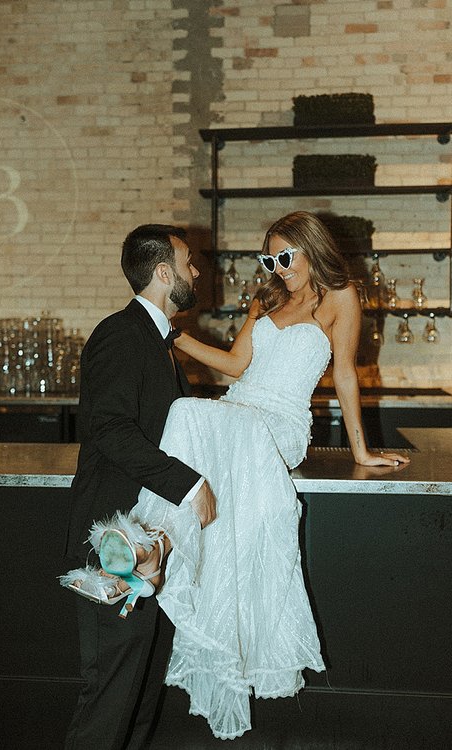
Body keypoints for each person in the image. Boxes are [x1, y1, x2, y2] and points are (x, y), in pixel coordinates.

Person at [72, 211, 410, 740]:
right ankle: (153, 549)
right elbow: (233, 366)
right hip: (240, 409)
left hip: (278, 424)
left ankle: (147, 549)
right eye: (269, 259)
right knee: (188, 413)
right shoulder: (267, 301)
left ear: (309, 248)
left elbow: (344, 373)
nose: (278, 268)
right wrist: (169, 337)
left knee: (193, 418)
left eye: (285, 257)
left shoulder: (340, 298)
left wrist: (361, 450)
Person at [62, 224, 218, 750]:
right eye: (189, 262)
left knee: (140, 704)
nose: (196, 271)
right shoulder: (119, 333)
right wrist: (188, 483)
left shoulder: (158, 341)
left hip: (152, 544)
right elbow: (110, 428)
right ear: (163, 273)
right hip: (113, 546)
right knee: (109, 703)